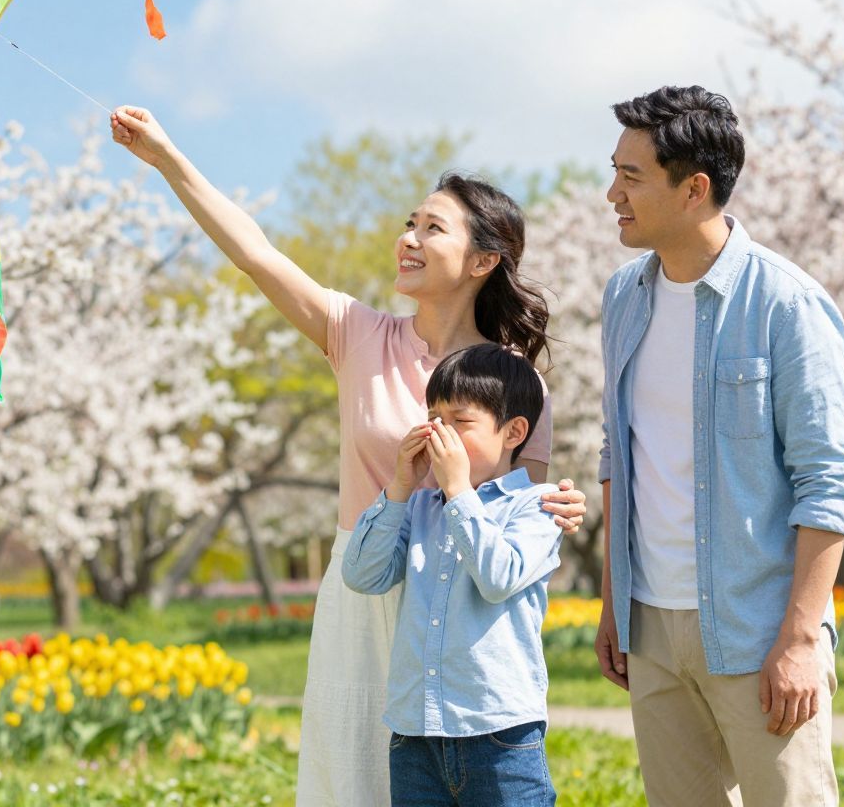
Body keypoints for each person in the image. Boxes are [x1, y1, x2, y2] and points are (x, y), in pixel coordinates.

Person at [108, 106, 586, 806]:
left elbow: (516, 517)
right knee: (352, 782)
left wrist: (554, 504)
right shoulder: (358, 335)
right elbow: (256, 254)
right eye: (408, 223)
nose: (408, 239)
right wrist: (166, 158)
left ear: (484, 261)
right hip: (362, 585)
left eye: (432, 228)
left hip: (459, 602)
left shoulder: (514, 383)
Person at [591, 85, 844, 806]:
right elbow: (618, 454)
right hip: (651, 624)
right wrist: (616, 603)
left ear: (694, 189)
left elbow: (828, 481)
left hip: (759, 630)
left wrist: (802, 641)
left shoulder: (785, 304)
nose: (610, 192)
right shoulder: (623, 298)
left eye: (631, 176)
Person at [344, 343, 561, 807]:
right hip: (414, 734)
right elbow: (363, 574)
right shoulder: (420, 506)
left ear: (513, 432)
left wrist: (460, 491)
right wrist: (401, 485)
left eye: (460, 422)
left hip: (500, 734)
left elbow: (498, 576)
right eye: (434, 417)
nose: (440, 432)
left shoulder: (538, 508)